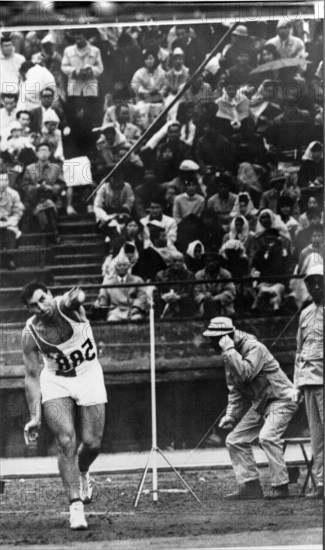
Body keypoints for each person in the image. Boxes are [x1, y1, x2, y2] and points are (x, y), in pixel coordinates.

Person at [21, 282, 107, 530]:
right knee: (65, 441)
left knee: (92, 443)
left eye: (42, 300)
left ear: (49, 295)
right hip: (56, 380)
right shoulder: (30, 332)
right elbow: (31, 375)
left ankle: (82, 470)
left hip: (88, 374)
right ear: (29, 310)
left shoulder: (64, 305)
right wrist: (34, 416)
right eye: (34, 306)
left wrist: (78, 296)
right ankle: (76, 507)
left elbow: (77, 295)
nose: (41, 307)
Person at [203, 316, 298, 499]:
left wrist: (229, 350)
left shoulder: (254, 347)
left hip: (282, 400)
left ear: (226, 337)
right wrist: (230, 416)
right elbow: (236, 391)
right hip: (261, 404)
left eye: (214, 339)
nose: (211, 343)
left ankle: (281, 486)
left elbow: (246, 373)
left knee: (267, 437)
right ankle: (250, 486)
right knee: (235, 440)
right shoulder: (229, 354)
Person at [294, 264, 323, 499]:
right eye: (310, 283)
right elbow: (298, 351)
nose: (314, 286)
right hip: (308, 382)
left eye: (318, 281)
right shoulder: (305, 313)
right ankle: (321, 483)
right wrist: (296, 385)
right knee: (316, 437)